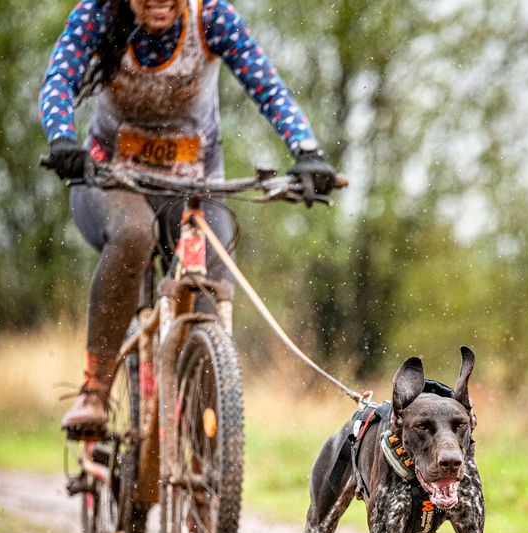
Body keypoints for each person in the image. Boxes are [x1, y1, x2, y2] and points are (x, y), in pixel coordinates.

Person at [40, 0, 335, 433]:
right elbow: (59, 80)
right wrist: (63, 138)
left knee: (212, 291)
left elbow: (267, 86)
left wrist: (307, 151)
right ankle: (95, 389)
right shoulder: (98, 14)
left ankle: (202, 434)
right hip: (110, 178)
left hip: (194, 183)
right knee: (135, 234)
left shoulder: (212, 18)